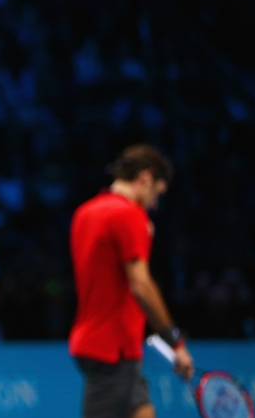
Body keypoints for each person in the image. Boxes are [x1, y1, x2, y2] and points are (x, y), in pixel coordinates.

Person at [68, 144, 194, 418]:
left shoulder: (84, 213)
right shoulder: (129, 215)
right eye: (157, 193)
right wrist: (175, 342)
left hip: (96, 342)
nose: (155, 204)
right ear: (146, 177)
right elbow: (141, 285)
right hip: (113, 351)